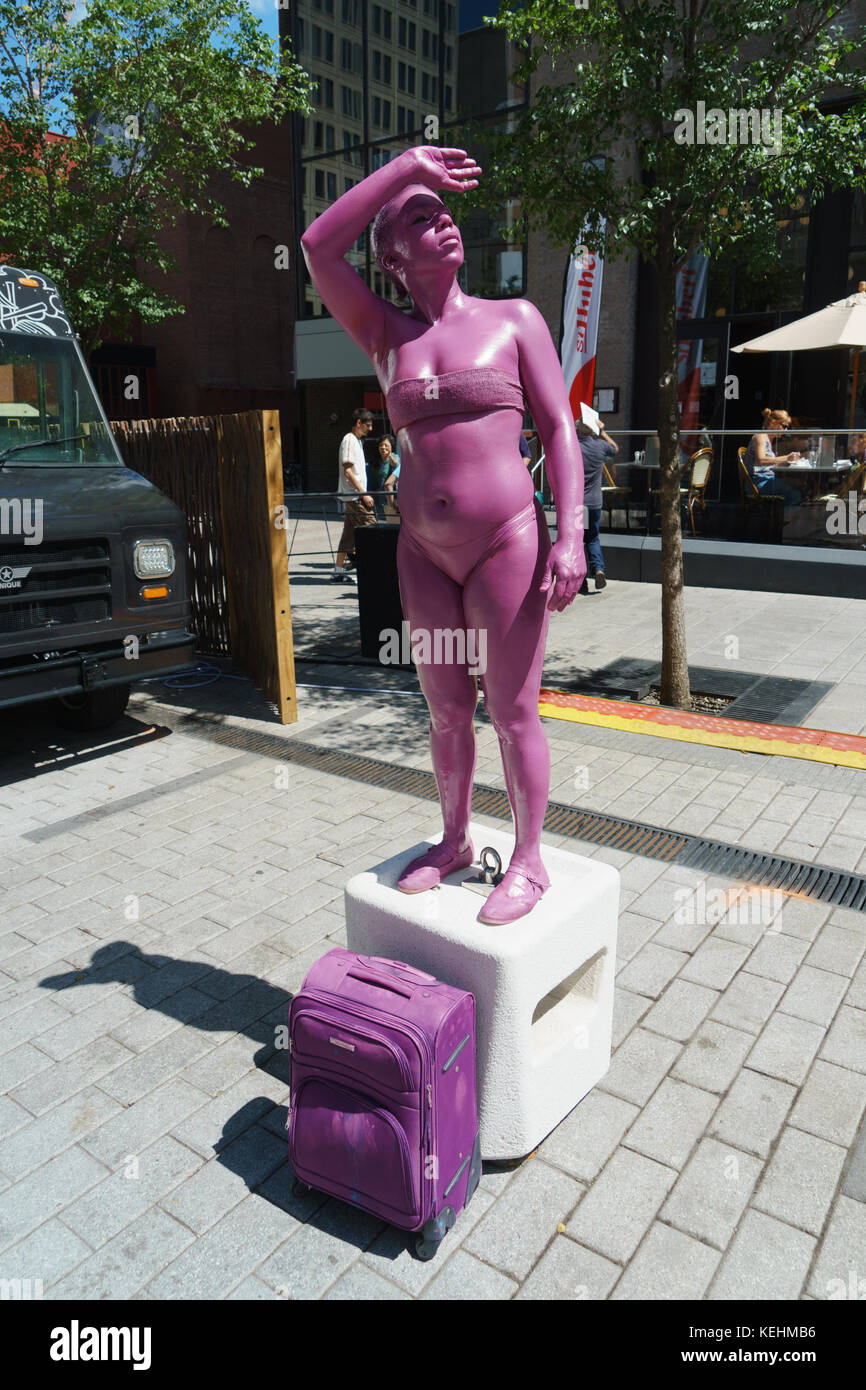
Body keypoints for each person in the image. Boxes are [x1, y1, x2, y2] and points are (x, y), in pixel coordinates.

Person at [300, 144, 586, 924]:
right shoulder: (384, 334)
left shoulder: (513, 319)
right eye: (423, 219)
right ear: (394, 257)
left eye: (444, 210)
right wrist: (407, 167)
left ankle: (528, 860)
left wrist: (572, 533)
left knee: (514, 709)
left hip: (506, 542)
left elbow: (559, 428)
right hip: (422, 552)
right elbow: (319, 246)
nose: (445, 221)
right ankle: (455, 838)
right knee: (447, 711)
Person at [575, 415, 618, 592]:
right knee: (592, 538)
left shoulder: (573, 448)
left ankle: (581, 581)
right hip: (595, 503)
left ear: (577, 431)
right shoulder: (599, 446)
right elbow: (615, 448)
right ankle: (598, 569)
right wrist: (602, 431)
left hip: (578, 506)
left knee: (578, 540)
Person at [333, 408, 375, 582]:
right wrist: (364, 493)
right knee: (372, 529)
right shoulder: (349, 440)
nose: (370, 429)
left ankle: (338, 571)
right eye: (368, 425)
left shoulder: (356, 441)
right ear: (359, 423)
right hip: (355, 497)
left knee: (349, 535)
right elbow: (348, 471)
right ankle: (369, 569)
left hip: (351, 496)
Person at [742, 407, 803, 507]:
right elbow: (760, 460)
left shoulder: (770, 440)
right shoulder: (760, 436)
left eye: (787, 427)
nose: (785, 430)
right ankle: (782, 519)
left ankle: (781, 516)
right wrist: (786, 458)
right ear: (773, 423)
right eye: (784, 426)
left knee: (801, 485)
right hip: (758, 482)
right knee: (795, 494)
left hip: (767, 479)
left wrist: (790, 461)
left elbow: (770, 463)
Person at [382, 436, 401, 522]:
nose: (383, 447)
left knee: (393, 525)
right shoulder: (379, 461)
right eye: (381, 445)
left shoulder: (395, 457)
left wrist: (389, 456)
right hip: (383, 499)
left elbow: (396, 464)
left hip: (393, 499)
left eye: (386, 445)